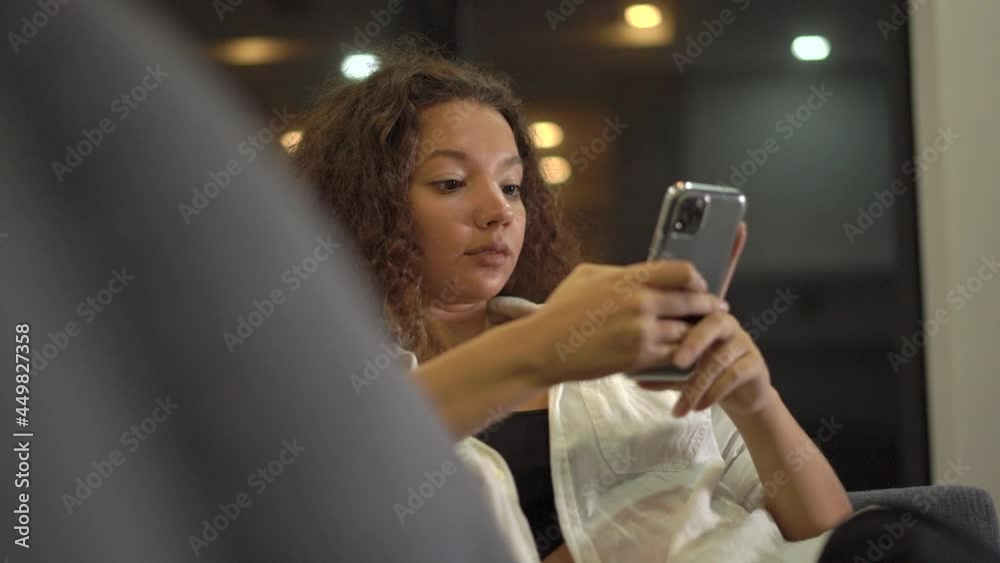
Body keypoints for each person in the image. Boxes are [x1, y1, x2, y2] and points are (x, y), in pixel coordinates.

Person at [290, 42, 856, 562]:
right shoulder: (332, 386)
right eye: (451, 183)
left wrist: (758, 404)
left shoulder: (623, 351)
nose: (499, 211)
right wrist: (547, 344)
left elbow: (831, 532)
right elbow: (335, 475)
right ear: (367, 207)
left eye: (512, 186)